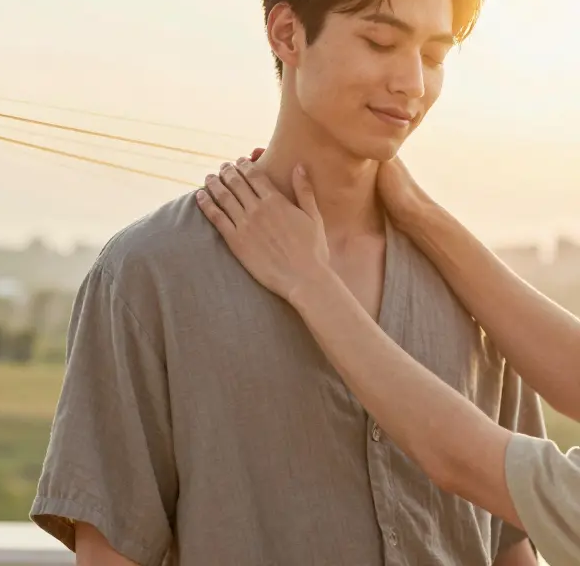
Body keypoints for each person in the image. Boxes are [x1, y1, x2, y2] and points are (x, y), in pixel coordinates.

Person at [30, 0, 544, 565]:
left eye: (436, 55)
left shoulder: (477, 292)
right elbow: (111, 553)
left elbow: (512, 544)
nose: (411, 82)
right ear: (287, 35)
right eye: (380, 41)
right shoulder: (148, 274)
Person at [199, 153, 580, 566]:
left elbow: (463, 461)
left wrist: (308, 281)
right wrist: (419, 212)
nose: (410, 86)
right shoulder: (153, 270)